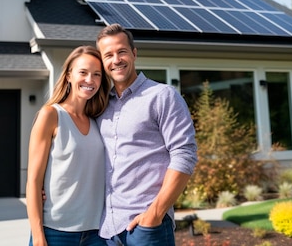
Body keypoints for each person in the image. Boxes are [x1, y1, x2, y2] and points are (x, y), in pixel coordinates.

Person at [95, 24, 198, 246]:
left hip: (147, 229)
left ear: (134, 53)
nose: (116, 60)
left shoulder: (162, 96)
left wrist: (154, 214)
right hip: (107, 230)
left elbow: (184, 154)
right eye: (108, 55)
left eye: (121, 51)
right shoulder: (100, 106)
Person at [26, 45, 110, 246]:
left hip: (96, 233)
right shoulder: (51, 115)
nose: (90, 80)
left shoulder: (97, 120)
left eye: (97, 74)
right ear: (69, 76)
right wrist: (38, 237)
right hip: (55, 232)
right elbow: (33, 182)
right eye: (83, 72)